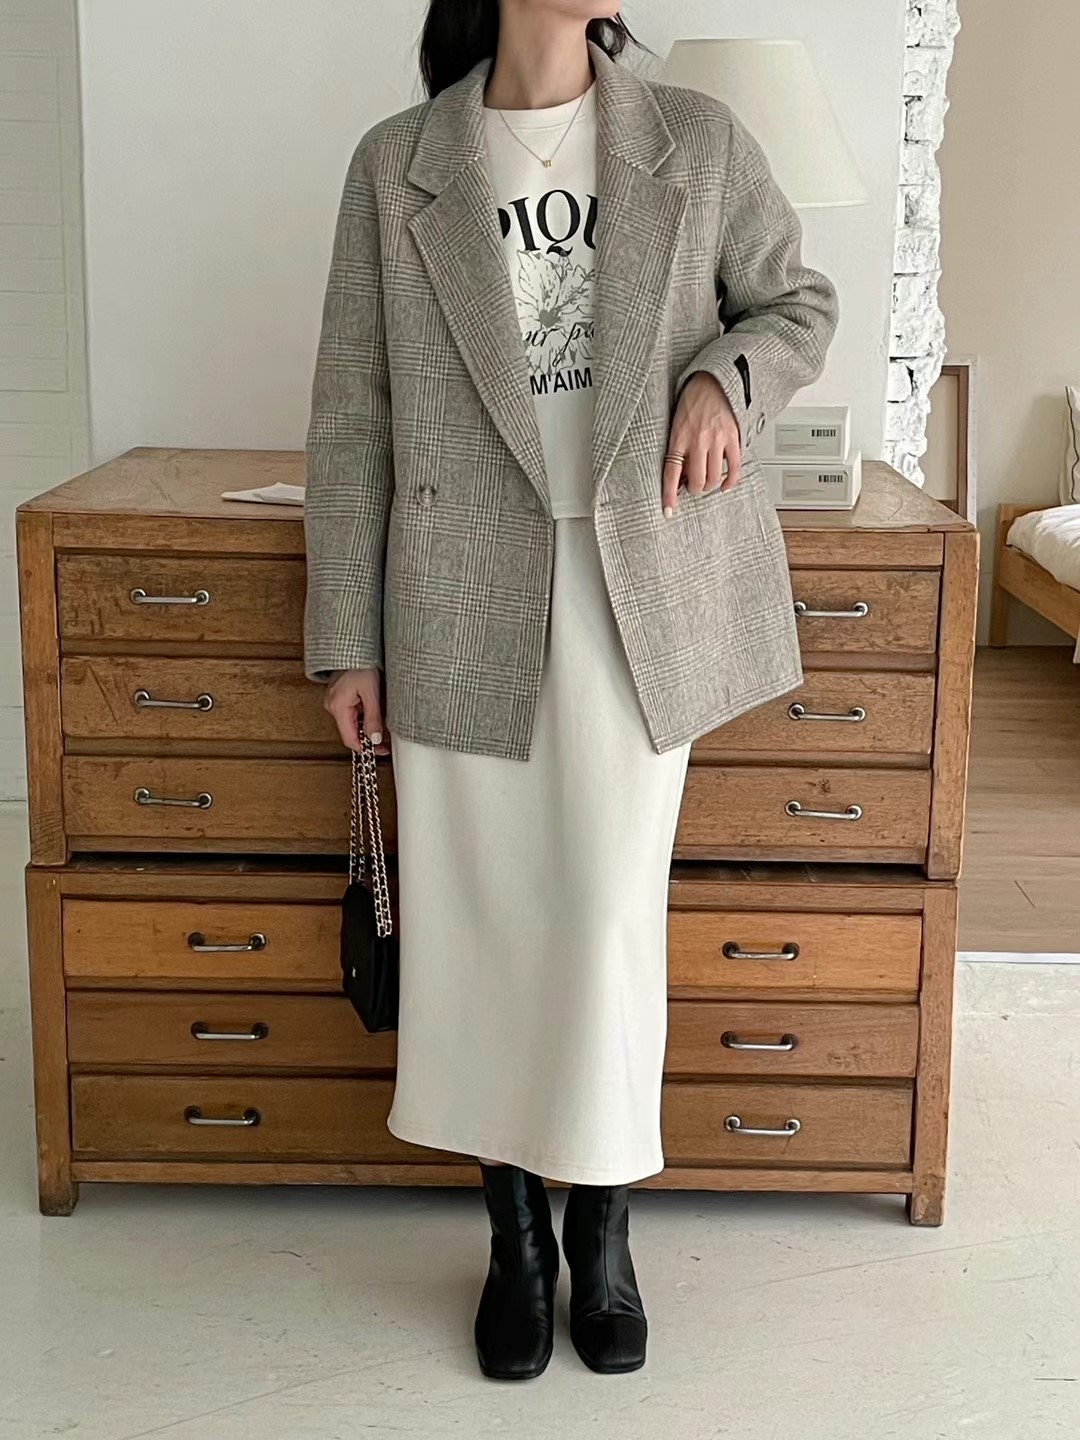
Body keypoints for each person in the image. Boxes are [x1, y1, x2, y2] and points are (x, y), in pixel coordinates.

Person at [303, 0, 839, 1382]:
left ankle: (601, 1231)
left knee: (602, 920)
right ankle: (515, 1244)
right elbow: (353, 413)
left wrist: (723, 380)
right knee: (483, 924)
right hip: (455, 590)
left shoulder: (694, 140)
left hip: (631, 588)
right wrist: (347, 639)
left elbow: (797, 304)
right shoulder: (397, 164)